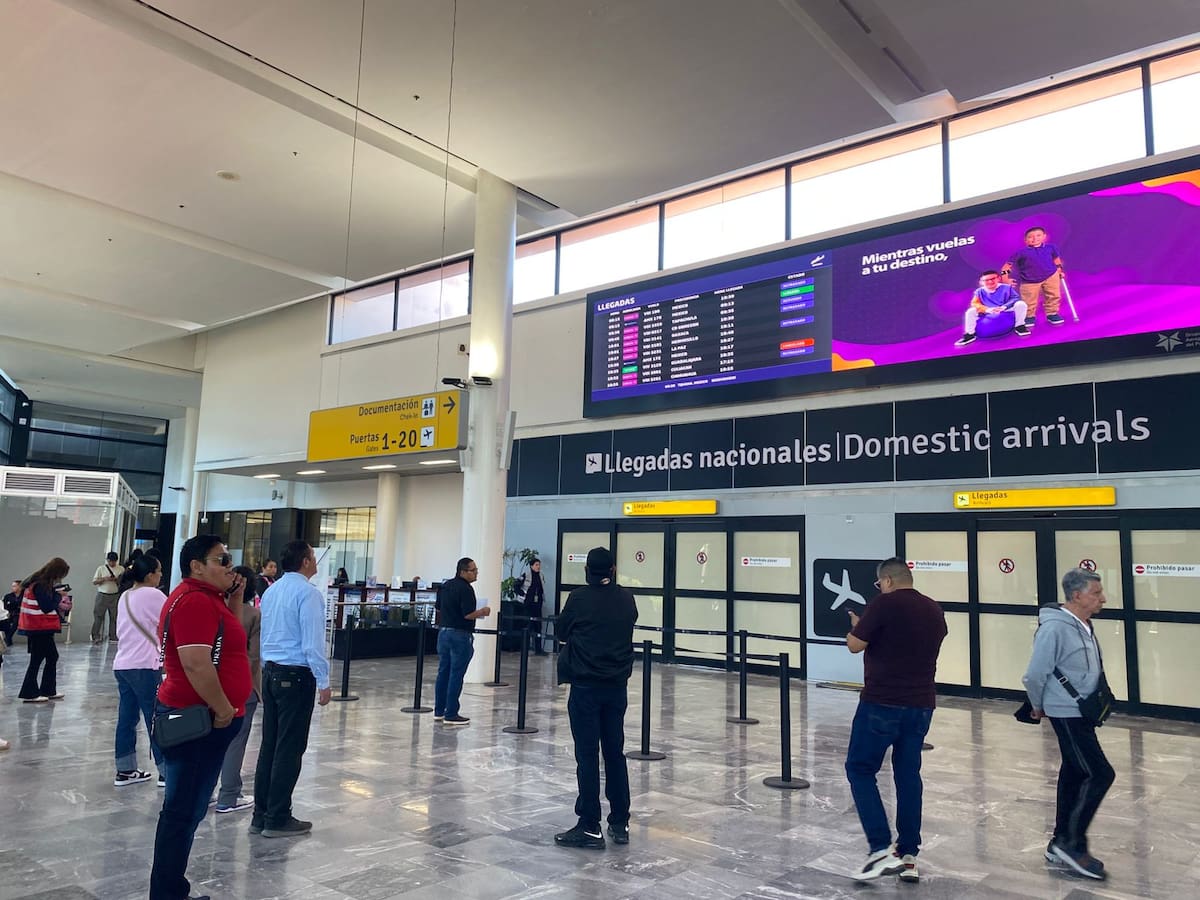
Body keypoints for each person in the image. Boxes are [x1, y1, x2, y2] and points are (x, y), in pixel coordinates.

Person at [149, 536, 251, 900]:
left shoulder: (209, 600)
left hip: (205, 718)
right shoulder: (194, 601)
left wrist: (235, 601)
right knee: (182, 812)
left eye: (230, 559)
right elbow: (195, 662)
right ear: (196, 566)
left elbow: (226, 646)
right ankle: (167, 893)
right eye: (221, 560)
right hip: (199, 720)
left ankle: (171, 889)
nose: (230, 566)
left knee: (187, 811)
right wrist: (223, 707)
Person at [844, 557, 947, 883]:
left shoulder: (883, 605)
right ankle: (909, 854)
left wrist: (857, 626)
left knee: (860, 769)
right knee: (907, 775)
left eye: (879, 584)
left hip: (881, 703)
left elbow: (855, 646)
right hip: (921, 705)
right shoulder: (933, 608)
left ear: (886, 580)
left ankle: (879, 849)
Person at [1021, 568, 1115, 881]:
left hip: (1082, 711)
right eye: (1096, 593)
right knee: (1099, 773)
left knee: (1075, 772)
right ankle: (1070, 845)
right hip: (1066, 711)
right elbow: (1035, 673)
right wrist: (1037, 706)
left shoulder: (1084, 624)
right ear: (1076, 596)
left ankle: (1059, 841)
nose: (1102, 598)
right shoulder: (1055, 628)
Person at [554, 547, 638, 849]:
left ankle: (589, 825)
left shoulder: (578, 598)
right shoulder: (627, 598)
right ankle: (620, 821)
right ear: (613, 569)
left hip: (586, 687)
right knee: (615, 753)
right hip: (616, 687)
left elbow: (561, 630)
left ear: (587, 570)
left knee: (587, 755)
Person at [252, 541, 331, 837]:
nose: (315, 561)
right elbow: (312, 643)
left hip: (271, 673)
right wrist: (323, 682)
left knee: (270, 746)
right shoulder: (308, 594)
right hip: (296, 676)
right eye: (312, 556)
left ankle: (261, 815)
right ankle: (278, 817)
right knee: (290, 748)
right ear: (306, 562)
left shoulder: (272, 591)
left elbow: (266, 636)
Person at [111, 555, 168, 786]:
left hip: (123, 664)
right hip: (145, 665)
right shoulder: (154, 595)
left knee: (126, 718)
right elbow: (168, 621)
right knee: (155, 719)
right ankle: (166, 770)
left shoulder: (125, 595)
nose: (161, 575)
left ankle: (125, 770)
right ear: (149, 575)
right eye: (159, 571)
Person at [215, 565, 262, 814]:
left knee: (212, 738)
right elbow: (254, 657)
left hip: (213, 683)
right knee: (236, 741)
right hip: (243, 686)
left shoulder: (215, 610)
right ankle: (229, 794)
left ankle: (209, 790)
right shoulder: (253, 615)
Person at [433, 557, 492, 726]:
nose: (476, 574)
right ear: (463, 572)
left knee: (443, 672)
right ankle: (451, 713)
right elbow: (467, 614)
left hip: (443, 633)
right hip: (460, 635)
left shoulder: (444, 586)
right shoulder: (466, 589)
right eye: (473, 571)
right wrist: (483, 611)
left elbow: (438, 608)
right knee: (456, 674)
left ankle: (439, 710)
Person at [17, 557, 71, 702]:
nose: (59, 579)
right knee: (38, 659)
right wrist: (58, 597)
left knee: (50, 656)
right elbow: (46, 607)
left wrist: (55, 594)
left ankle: (47, 690)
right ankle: (30, 693)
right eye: (60, 575)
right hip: (38, 627)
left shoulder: (37, 581)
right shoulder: (40, 584)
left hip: (38, 627)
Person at [1000, 225, 1067, 327]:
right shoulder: (1021, 252)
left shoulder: (1051, 247)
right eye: (1031, 237)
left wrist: (1059, 270)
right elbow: (1007, 266)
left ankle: (1052, 314)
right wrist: (1005, 279)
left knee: (1053, 296)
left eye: (1038, 235)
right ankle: (1029, 316)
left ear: (1044, 236)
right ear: (1025, 240)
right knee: (1028, 300)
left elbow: (1056, 259)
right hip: (1029, 280)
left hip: (1051, 276)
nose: (1035, 238)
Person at [954, 270, 1030, 346]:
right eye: (986, 280)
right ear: (981, 282)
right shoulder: (979, 291)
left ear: (998, 278)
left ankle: (1019, 326)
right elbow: (975, 303)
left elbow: (1015, 298)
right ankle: (970, 334)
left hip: (1005, 309)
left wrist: (1004, 307)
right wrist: (987, 309)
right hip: (988, 310)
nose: (990, 282)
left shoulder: (1007, 287)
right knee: (971, 311)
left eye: (993, 279)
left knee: (1021, 304)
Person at [91, 551, 124, 643]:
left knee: (114, 616)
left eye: (114, 561)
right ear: (107, 560)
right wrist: (104, 579)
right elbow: (94, 582)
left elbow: (124, 581)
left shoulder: (121, 569)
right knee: (98, 616)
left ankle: (113, 635)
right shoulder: (101, 568)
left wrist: (117, 580)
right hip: (102, 594)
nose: (112, 563)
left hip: (115, 595)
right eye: (110, 561)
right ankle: (95, 635)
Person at [521, 558, 549, 655]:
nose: (538, 567)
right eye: (536, 565)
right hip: (529, 605)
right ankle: (525, 648)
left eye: (539, 565)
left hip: (538, 605)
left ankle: (538, 649)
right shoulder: (526, 575)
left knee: (538, 627)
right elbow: (516, 586)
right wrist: (523, 596)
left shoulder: (540, 575)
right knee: (528, 626)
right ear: (532, 566)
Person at [1, 579, 20, 664]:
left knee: (16, 620)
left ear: (20, 587)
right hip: (9, 614)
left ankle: (7, 639)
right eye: (12, 586)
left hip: (20, 615)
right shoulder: (8, 596)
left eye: (15, 586)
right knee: (6, 622)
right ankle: (8, 640)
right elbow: (5, 607)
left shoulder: (24, 596)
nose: (13, 588)